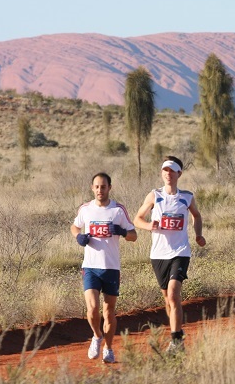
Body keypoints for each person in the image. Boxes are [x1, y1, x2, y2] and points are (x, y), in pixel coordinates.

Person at [134, 156, 206, 353]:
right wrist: (149, 225)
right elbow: (137, 219)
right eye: (165, 170)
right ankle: (176, 333)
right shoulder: (154, 196)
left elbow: (196, 215)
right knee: (167, 299)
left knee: (174, 294)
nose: (168, 174)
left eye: (172, 170)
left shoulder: (187, 197)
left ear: (179, 174)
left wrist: (199, 234)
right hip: (158, 254)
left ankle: (176, 340)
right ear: (161, 173)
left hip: (180, 252)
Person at [71, 172, 137, 364]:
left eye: (104, 186)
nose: (100, 190)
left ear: (110, 188)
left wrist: (123, 232)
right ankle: (97, 336)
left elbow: (134, 236)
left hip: (111, 268)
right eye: (97, 187)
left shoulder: (118, 210)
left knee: (109, 312)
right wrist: (78, 237)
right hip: (90, 267)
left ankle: (108, 348)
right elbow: (75, 227)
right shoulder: (85, 209)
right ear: (92, 188)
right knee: (92, 309)